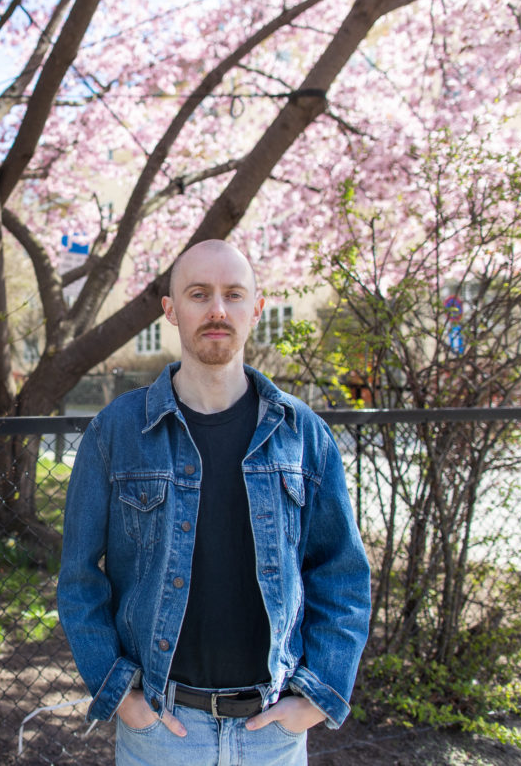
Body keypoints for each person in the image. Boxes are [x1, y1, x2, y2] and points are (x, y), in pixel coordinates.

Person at [57, 239, 371, 765]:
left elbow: (341, 574)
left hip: (273, 731)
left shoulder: (303, 435)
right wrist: (121, 695)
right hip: (161, 729)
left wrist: (317, 698)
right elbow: (79, 577)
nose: (217, 310)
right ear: (171, 310)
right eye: (199, 294)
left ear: (257, 307)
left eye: (233, 294)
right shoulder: (118, 432)